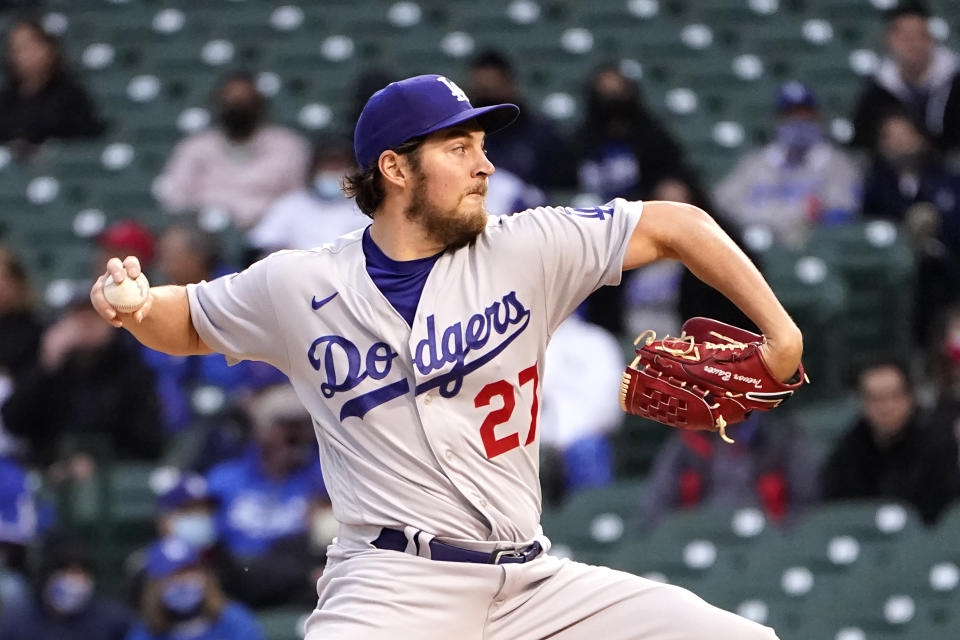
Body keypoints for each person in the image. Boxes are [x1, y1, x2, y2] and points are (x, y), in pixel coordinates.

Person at [90, 73, 803, 639]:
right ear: (395, 169)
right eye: (459, 149)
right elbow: (181, 320)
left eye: (481, 147)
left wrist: (780, 332)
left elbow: (678, 223)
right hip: (391, 587)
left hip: (532, 584)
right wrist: (136, 306)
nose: (485, 165)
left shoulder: (529, 247)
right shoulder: (298, 283)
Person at [1, 296, 163, 475]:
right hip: (49, 472)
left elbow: (149, 439)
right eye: (79, 317)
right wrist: (46, 364)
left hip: (113, 476)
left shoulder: (130, 368)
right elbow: (14, 422)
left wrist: (99, 460)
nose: (86, 324)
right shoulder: (50, 367)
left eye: (95, 316)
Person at [715, 82, 862, 249]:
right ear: (779, 122)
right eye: (791, 116)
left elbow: (841, 212)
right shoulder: (755, 164)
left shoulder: (836, 164)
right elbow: (723, 206)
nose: (798, 123)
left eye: (805, 116)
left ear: (817, 119)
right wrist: (796, 213)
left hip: (814, 248)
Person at [155, 72, 310, 230]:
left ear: (259, 106)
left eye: (244, 102)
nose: (237, 108)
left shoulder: (289, 145)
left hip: (270, 233)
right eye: (231, 101)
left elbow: (299, 198)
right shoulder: (194, 147)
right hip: (207, 234)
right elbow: (176, 198)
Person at [820, 360, 960, 524]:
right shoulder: (850, 448)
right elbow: (837, 507)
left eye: (894, 396)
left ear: (910, 397)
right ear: (862, 402)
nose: (886, 407)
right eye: (875, 399)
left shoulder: (938, 444)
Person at [861, 111, 960, 343]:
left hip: (942, 272)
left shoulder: (946, 179)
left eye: (904, 135)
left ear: (921, 137)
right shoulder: (876, 185)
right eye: (890, 137)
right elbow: (868, 227)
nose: (898, 143)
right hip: (892, 269)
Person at [639, 413, 818, 530]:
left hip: (765, 540)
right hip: (703, 536)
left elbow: (807, 507)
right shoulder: (686, 442)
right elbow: (655, 509)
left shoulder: (781, 439)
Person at [850, 2, 960, 152]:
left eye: (919, 35)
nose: (913, 44)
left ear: (931, 39)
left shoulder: (956, 84)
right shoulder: (876, 94)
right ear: (889, 40)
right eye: (904, 37)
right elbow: (862, 145)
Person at [539, 312, 624, 504]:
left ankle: (596, 524)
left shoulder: (595, 341)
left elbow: (608, 411)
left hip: (583, 440)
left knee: (587, 449)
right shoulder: (520, 342)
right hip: (532, 442)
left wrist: (562, 439)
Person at [466, 50, 576, 190]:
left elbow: (562, 187)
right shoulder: (463, 137)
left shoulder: (542, 135)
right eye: (482, 92)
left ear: (511, 86)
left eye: (494, 90)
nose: (488, 103)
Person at [247, 136, 367, 255]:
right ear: (313, 169)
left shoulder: (365, 207)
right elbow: (263, 242)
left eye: (339, 167)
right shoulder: (291, 203)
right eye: (328, 166)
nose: (332, 173)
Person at [125, 538, 264, 640]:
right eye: (172, 575)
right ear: (154, 587)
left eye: (189, 571)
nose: (183, 581)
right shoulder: (145, 632)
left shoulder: (233, 620)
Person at [0, 18, 104, 153]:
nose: (22, 55)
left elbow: (84, 143)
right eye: (16, 49)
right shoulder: (5, 101)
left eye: (28, 46)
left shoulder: (71, 98)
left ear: (49, 49)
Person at [0, 536, 133, 640]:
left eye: (81, 572)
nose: (74, 581)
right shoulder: (18, 621)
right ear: (48, 574)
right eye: (67, 571)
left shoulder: (113, 621)